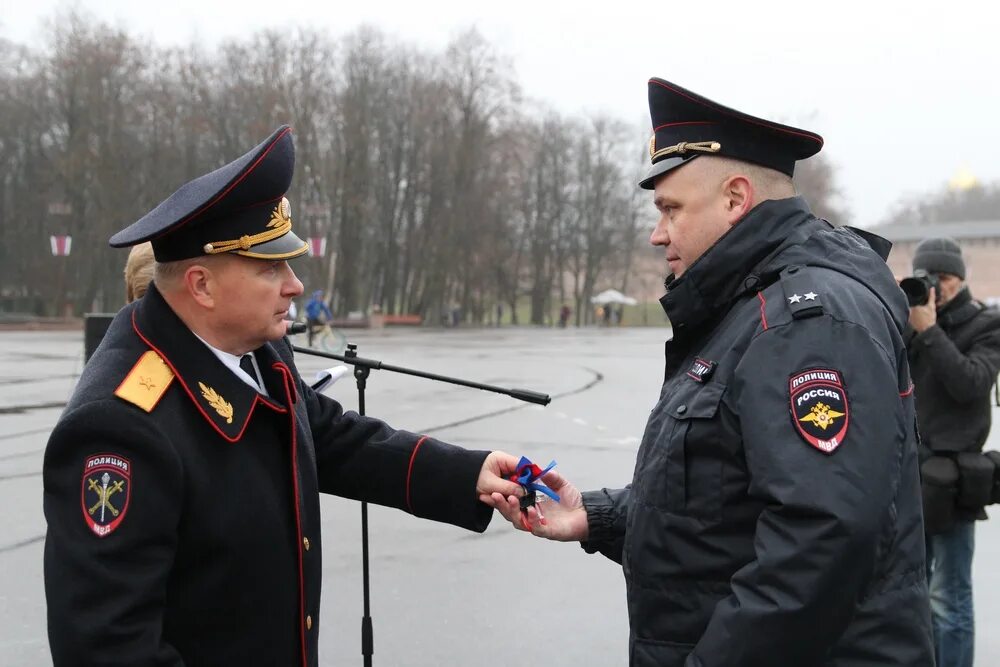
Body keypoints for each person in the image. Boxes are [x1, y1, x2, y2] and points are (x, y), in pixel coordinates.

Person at [485, 78, 934, 666]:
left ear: (734, 198)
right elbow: (726, 501)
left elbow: (818, 546)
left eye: (670, 208)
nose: (657, 232)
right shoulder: (749, 310)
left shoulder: (805, 322)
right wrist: (597, 518)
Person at [42, 126, 525, 666]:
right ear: (201, 285)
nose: (294, 285)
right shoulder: (121, 424)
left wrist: (467, 474)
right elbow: (106, 647)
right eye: (271, 267)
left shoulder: (257, 351)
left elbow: (327, 436)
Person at [905, 237, 1000, 667]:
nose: (934, 287)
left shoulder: (986, 325)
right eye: (927, 278)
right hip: (909, 475)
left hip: (954, 479)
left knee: (950, 595)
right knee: (909, 592)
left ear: (960, 279)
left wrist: (930, 330)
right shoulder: (908, 319)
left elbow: (970, 384)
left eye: (941, 278)